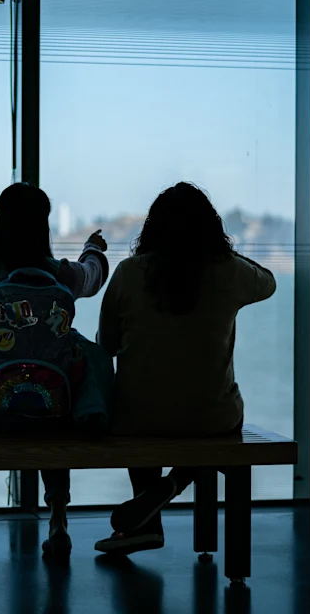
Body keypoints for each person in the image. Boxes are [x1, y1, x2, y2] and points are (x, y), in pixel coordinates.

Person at [93, 182, 276, 555]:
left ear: (151, 228)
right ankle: (174, 484)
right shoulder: (230, 272)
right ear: (211, 229)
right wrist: (228, 253)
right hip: (212, 419)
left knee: (141, 406)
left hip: (136, 420)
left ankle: (150, 518)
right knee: (210, 417)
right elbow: (269, 282)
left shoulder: (129, 273)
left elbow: (105, 347)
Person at [0, 182, 109, 558]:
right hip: (51, 410)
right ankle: (58, 521)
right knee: (58, 415)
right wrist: (94, 249)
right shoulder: (59, 275)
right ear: (43, 227)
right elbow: (93, 276)